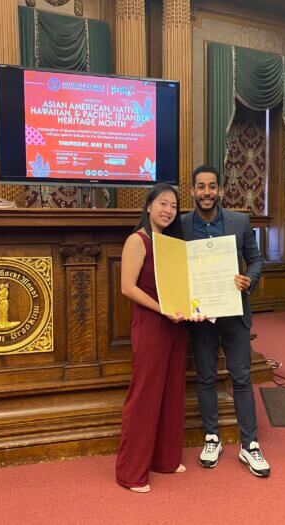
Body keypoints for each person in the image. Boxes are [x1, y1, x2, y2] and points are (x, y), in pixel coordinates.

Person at [181, 165, 270, 478]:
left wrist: (250, 278)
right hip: (200, 315)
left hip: (234, 311)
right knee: (205, 377)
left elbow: (257, 259)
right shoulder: (181, 225)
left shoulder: (239, 221)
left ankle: (250, 444)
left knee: (241, 376)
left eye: (212, 187)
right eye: (201, 187)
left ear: (219, 190)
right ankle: (212, 437)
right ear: (192, 191)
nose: (206, 193)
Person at [115, 183, 190, 493]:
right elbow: (127, 288)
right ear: (148, 206)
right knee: (145, 394)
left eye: (173, 205)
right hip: (151, 323)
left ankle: (166, 459)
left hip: (176, 325)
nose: (167, 210)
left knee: (172, 392)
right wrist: (163, 309)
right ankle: (131, 473)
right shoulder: (138, 240)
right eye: (162, 203)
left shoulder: (173, 244)